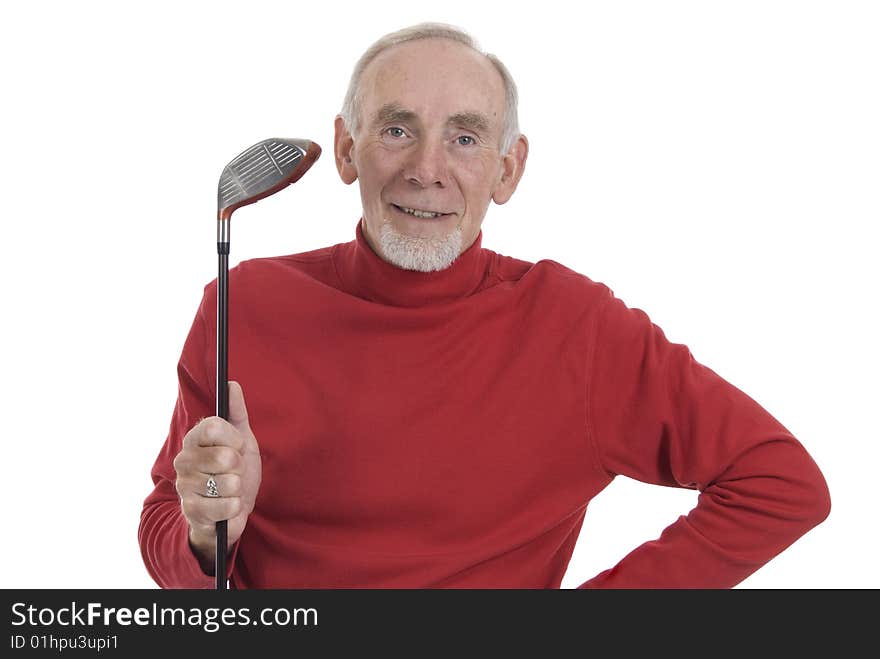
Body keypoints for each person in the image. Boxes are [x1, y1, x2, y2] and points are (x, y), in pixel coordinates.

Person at [139, 22, 830, 589]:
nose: (428, 169)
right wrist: (208, 534)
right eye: (397, 130)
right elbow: (163, 529)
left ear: (508, 169)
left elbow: (780, 480)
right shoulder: (244, 305)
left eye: (465, 139)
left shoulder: (574, 326)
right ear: (348, 150)